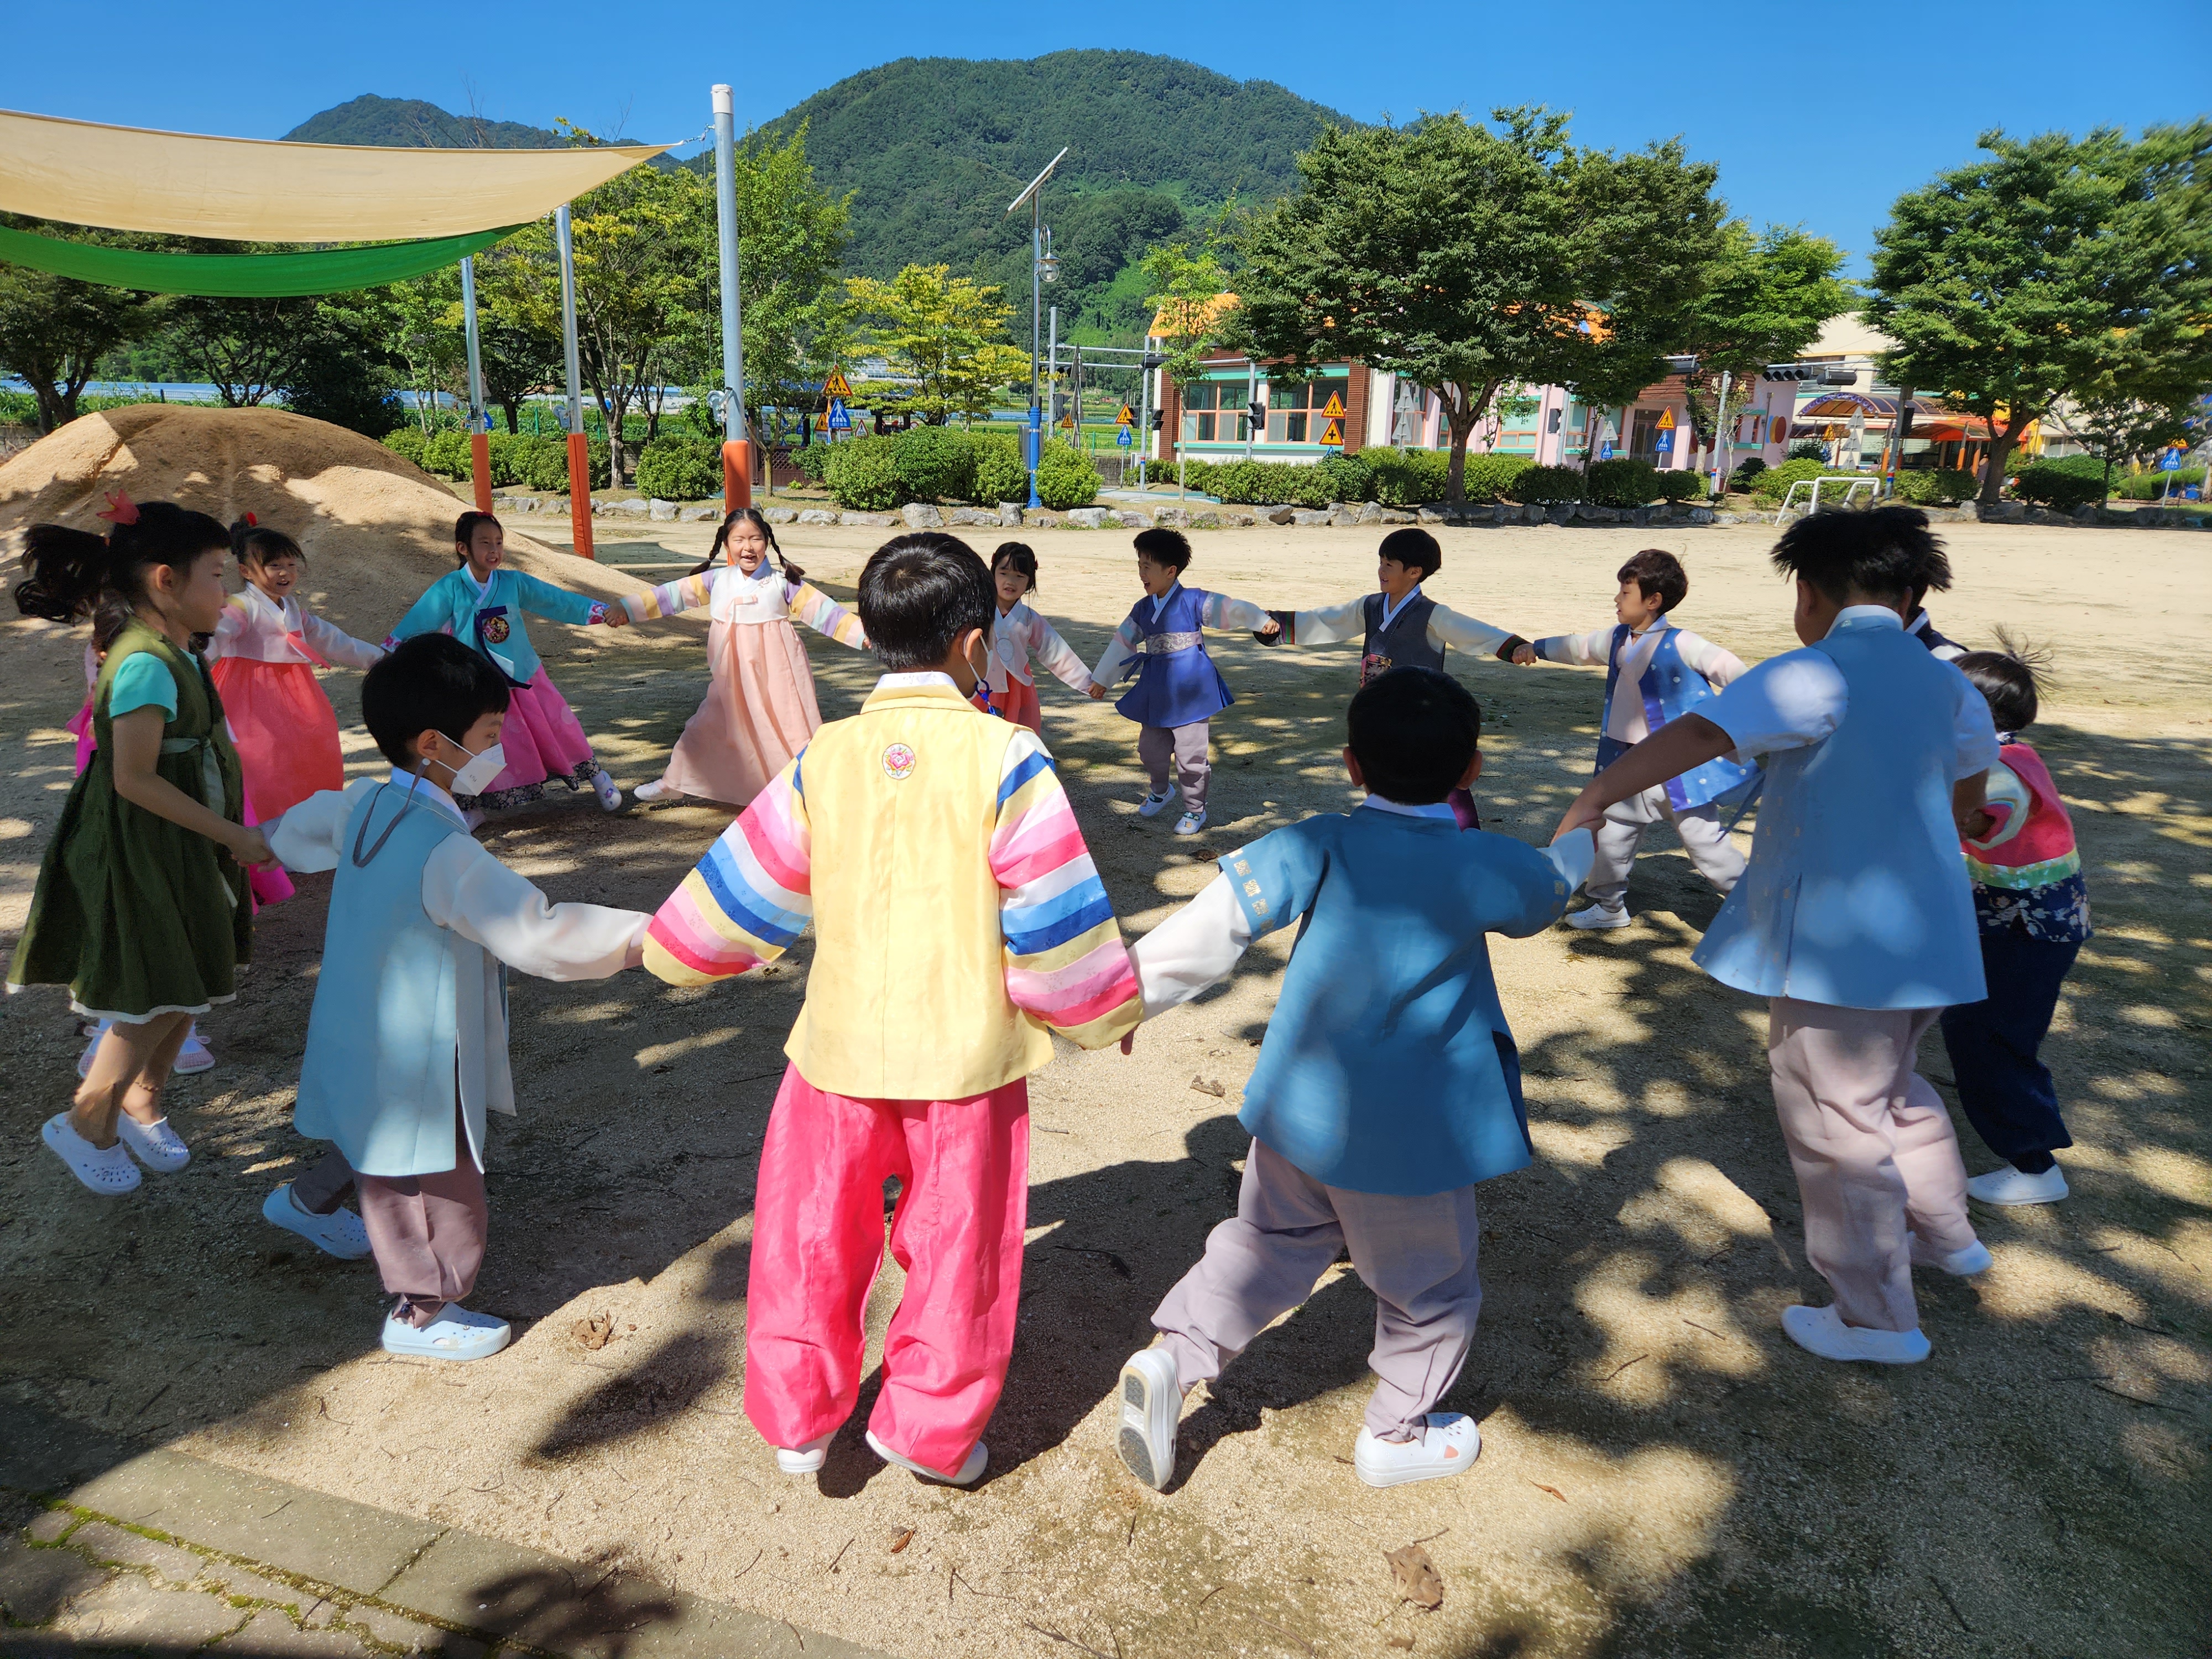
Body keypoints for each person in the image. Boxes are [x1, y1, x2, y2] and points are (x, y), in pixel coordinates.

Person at [643, 533, 1143, 1486]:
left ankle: (796, 1414)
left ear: (872, 637)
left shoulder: (824, 755)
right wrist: (1099, 1009)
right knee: (959, 1248)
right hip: (965, 1058)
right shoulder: (1009, 756)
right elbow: (1053, 914)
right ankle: (925, 1428)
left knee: (809, 1230)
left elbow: (745, 893)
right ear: (973, 642)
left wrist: (675, 948)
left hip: (834, 1046)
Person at [1114, 668, 1592, 1490]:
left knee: (1267, 1242)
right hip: (1413, 1137)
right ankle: (1397, 1433)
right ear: (1471, 770)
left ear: (1351, 765)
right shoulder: (1483, 861)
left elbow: (1218, 919)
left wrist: (1127, 997)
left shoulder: (1318, 841)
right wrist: (1588, 822)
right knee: (1431, 1286)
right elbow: (1556, 881)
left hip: (1299, 1112)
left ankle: (1174, 1359)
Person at [1554, 506, 1997, 1365]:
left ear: (1810, 594)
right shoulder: (1953, 682)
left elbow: (1698, 732)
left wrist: (1595, 798)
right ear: (1912, 595)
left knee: (1838, 1121)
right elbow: (1967, 799)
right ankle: (1947, 1237)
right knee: (1897, 1094)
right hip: (1934, 933)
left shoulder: (1818, 672)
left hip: (1844, 948)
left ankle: (1876, 1319)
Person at [264, 635, 650, 1358]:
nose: (499, 749)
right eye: (488, 736)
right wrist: (648, 939)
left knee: (369, 1133)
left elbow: (293, 831)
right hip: (418, 1045)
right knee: (431, 1173)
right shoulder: (446, 851)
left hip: (358, 1020)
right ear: (436, 744)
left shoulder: (365, 805)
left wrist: (249, 840)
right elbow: (536, 932)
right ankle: (422, 1312)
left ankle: (305, 1202)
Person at [10, 494, 276, 1194]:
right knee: (153, 987)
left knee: (190, 974)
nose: (228, 591)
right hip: (144, 844)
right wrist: (235, 835)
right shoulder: (142, 664)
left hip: (181, 840)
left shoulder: (175, 651)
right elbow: (132, 779)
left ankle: (141, 1099)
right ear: (166, 580)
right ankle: (86, 1123)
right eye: (217, 574)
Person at [1512, 549, 1754, 928]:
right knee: (1611, 836)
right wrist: (1537, 647)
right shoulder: (1616, 638)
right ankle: (1608, 906)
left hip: (1678, 766)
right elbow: (1578, 648)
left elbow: (1735, 674)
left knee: (1706, 845)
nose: (1617, 600)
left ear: (1653, 601)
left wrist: (1747, 714)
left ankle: (1759, 907)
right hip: (1625, 763)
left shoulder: (1685, 643)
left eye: (1626, 593)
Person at [1939, 636, 2089, 1206]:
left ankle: (2034, 1165)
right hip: (2016, 925)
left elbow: (1978, 822)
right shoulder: (1997, 755)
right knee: (1976, 1027)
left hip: (2028, 932)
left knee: (1990, 1037)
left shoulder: (2000, 769)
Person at [1257, 526, 1531, 828]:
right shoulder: (1371, 606)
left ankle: (1466, 840)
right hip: (1379, 715)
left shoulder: (1432, 614)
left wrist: (1514, 647)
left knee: (1439, 779)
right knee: (1386, 783)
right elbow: (1326, 621)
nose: (1381, 570)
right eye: (1381, 562)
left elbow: (1474, 632)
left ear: (1415, 572)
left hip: (1423, 717)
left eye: (1390, 564)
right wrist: (1276, 624)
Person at [383, 512, 628, 820]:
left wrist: (602, 613)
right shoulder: (450, 588)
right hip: (477, 683)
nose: (494, 550)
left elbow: (556, 600)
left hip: (523, 673)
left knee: (558, 726)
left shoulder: (513, 582)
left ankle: (598, 777)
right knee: (479, 744)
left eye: (499, 542)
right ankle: (474, 805)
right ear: (463, 548)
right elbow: (422, 619)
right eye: (485, 543)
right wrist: (390, 651)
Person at [623, 507, 869, 806]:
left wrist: (860, 633)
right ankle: (676, 780)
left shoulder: (783, 583)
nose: (748, 547)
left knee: (788, 725)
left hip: (778, 671)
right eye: (739, 539)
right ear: (727, 544)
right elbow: (668, 597)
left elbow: (823, 611)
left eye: (755, 539)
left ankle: (805, 792)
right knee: (707, 724)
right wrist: (624, 610)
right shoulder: (717, 581)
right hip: (731, 674)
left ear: (767, 541)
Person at [1088, 527, 1277, 837]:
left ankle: (1195, 809)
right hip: (1156, 688)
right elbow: (1123, 641)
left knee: (1191, 756)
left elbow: (1229, 608)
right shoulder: (1143, 608)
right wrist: (1102, 679)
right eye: (1139, 565)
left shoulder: (1192, 600)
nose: (1141, 573)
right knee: (1150, 750)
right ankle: (1161, 791)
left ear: (1171, 570)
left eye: (1148, 566)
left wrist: (1259, 619)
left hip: (1191, 690)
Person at [205, 515, 385, 818]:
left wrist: (379, 659)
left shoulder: (291, 607)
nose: (285, 572)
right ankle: (262, 831)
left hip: (299, 694)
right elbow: (214, 640)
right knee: (262, 761)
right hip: (250, 697)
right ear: (245, 571)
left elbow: (330, 639)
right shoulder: (241, 606)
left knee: (314, 751)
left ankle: (309, 827)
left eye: (291, 564)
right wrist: (185, 665)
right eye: (275, 565)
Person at [981, 542, 1095, 732]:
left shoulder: (1028, 619)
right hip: (980, 685)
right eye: (1003, 573)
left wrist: (1089, 683)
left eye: (1019, 576)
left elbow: (1055, 651)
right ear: (992, 573)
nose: (1010, 581)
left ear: (1029, 583)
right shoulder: (977, 611)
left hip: (1017, 690)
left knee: (1016, 739)